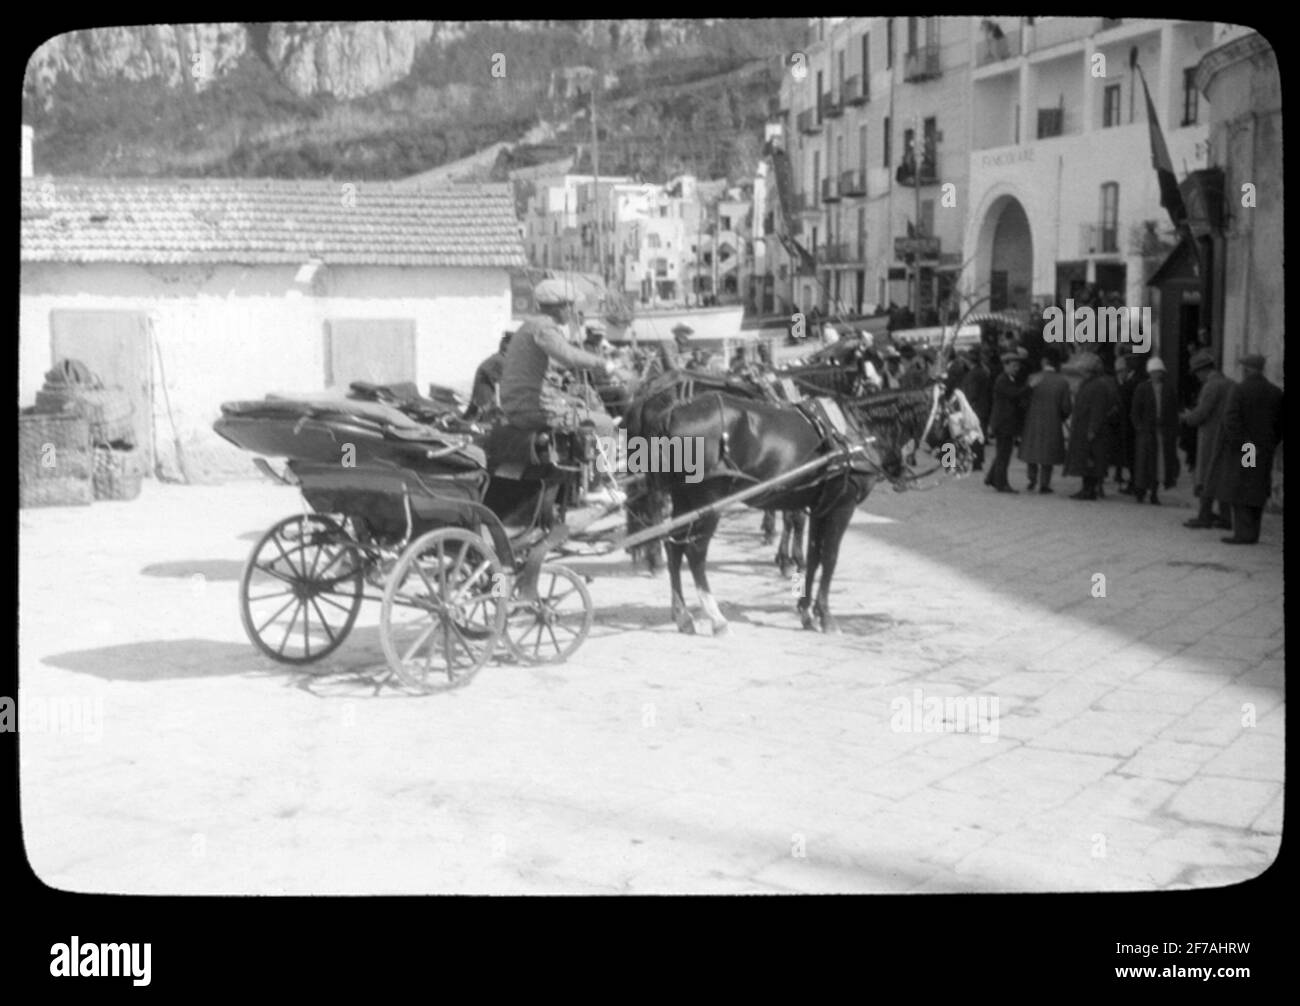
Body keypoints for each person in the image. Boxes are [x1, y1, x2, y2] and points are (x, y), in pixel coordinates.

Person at [499, 278, 618, 438]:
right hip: (535, 410)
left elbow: (555, 364)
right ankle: (607, 455)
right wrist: (604, 363)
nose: (573, 311)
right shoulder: (544, 328)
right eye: (570, 306)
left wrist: (566, 398)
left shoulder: (530, 325)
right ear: (559, 308)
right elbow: (568, 355)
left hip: (520, 406)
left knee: (581, 404)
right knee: (605, 423)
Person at [1212, 354, 1284, 544]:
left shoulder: (1239, 390)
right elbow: (1280, 424)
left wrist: (1244, 444)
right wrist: (1270, 443)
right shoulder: (1275, 392)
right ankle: (1253, 533)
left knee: (1242, 486)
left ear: (1246, 369)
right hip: (1265, 448)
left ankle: (1243, 533)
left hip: (1247, 448)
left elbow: (1230, 420)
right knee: (1258, 487)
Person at [1179, 349, 1234, 529]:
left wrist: (1187, 417)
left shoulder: (1210, 386)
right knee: (1223, 477)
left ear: (1203, 370)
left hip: (1210, 437)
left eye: (1197, 373)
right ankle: (1226, 517)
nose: (1197, 377)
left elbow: (1201, 414)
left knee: (1205, 476)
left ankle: (1204, 516)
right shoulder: (1231, 384)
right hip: (1227, 437)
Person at [1064, 351, 1119, 500]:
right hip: (1083, 428)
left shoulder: (1097, 386)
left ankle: (1089, 490)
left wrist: (1093, 429)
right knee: (1086, 460)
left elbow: (1098, 410)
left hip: (1089, 429)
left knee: (1090, 460)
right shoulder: (1089, 384)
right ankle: (1087, 488)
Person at [1018, 346, 1072, 493]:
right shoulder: (1062, 382)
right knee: (1048, 454)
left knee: (1032, 450)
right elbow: (1066, 407)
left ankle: (1032, 479)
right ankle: (1044, 483)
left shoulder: (1033, 378)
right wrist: (1061, 417)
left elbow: (1023, 401)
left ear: (1044, 361)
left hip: (1032, 419)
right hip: (1053, 421)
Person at [1130, 356, 1180, 505]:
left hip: (1162, 432)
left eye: (1158, 372)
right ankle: (1140, 491)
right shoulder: (1142, 388)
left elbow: (1173, 411)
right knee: (1144, 463)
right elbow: (1135, 411)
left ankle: (1154, 492)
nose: (1156, 374)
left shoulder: (1168, 389)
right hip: (1147, 431)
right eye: (1153, 372)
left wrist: (1173, 430)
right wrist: (1139, 427)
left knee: (1159, 464)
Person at [986, 350, 1031, 492]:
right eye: (1013, 366)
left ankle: (992, 478)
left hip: (1005, 422)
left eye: (1018, 366)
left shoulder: (1009, 379)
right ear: (1005, 366)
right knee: (1003, 454)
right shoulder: (1003, 380)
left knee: (1002, 452)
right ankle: (1001, 483)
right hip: (1003, 422)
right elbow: (1014, 394)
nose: (1016, 369)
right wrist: (1029, 387)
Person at [466, 330, 514, 420]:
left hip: (481, 407)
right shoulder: (499, 361)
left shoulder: (498, 359)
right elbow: (502, 388)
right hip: (484, 409)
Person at [959, 347, 992, 471]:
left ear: (969, 361)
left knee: (974, 436)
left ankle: (975, 461)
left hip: (975, 409)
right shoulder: (982, 371)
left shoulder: (973, 374)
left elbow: (972, 393)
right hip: (983, 407)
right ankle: (977, 460)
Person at [1112, 353, 1139, 492]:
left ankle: (1134, 483)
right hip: (1130, 424)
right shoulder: (1132, 382)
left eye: (1120, 372)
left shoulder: (1129, 385)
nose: (1118, 375)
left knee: (1131, 455)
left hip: (1129, 425)